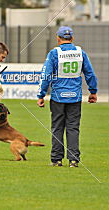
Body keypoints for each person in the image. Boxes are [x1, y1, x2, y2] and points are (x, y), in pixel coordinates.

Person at [37, 26, 97, 167]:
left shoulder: (54, 53)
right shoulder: (80, 52)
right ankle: (73, 160)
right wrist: (92, 91)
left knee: (57, 127)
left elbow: (45, 76)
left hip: (58, 97)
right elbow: (90, 73)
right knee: (73, 128)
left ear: (58, 38)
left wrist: (41, 95)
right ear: (72, 38)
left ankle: (56, 159)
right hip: (75, 97)